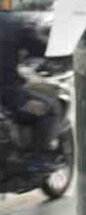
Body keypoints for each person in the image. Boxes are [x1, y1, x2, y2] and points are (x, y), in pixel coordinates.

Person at [0, 12, 59, 170]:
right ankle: (37, 160)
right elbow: (39, 47)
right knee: (49, 109)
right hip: (8, 96)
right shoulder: (12, 23)